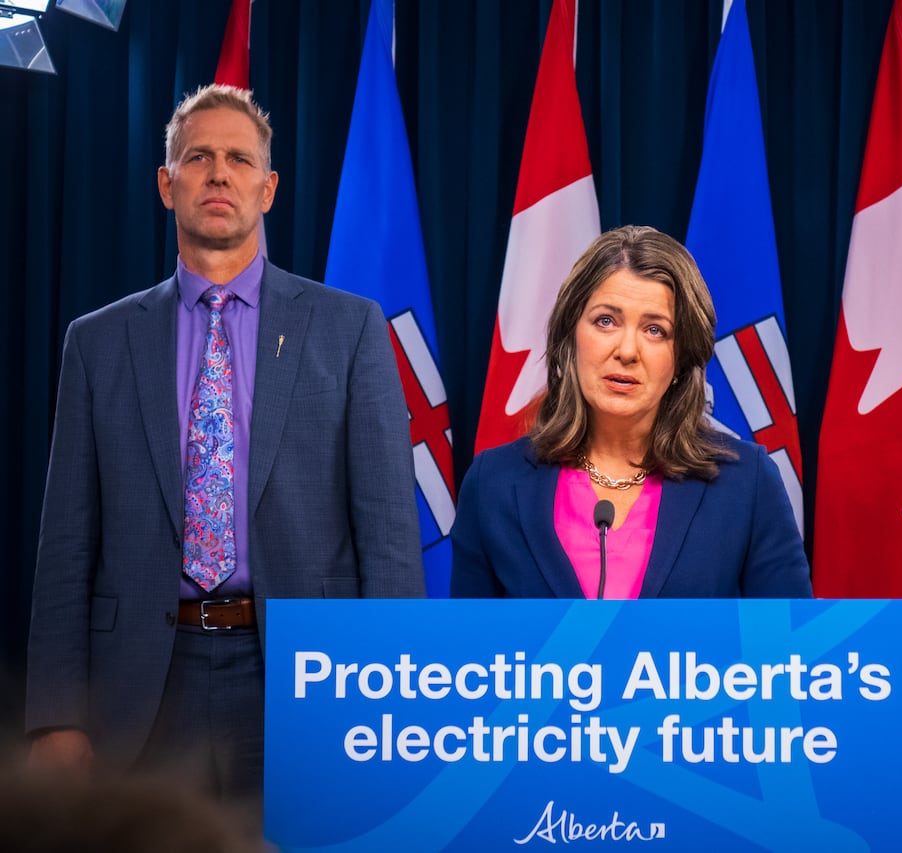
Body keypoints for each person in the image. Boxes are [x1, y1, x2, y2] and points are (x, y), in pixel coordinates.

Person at [25, 85, 423, 802]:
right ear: (165, 182)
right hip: (140, 681)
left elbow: (391, 535)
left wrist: (388, 697)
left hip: (306, 679)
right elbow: (65, 545)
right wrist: (55, 715)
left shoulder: (349, 328)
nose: (218, 173)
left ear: (267, 189)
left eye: (239, 159)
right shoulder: (97, 342)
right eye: (198, 156)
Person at [451, 225, 812, 599]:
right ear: (570, 337)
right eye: (606, 321)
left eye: (655, 330)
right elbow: (467, 651)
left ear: (682, 358)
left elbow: (789, 649)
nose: (627, 350)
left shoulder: (746, 483)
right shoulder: (493, 483)